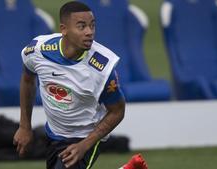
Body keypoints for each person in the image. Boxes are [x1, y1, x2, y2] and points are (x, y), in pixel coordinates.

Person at [14, 1, 142, 169]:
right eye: (81, 27)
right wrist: (24, 126)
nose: (89, 32)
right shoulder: (38, 51)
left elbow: (117, 111)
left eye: (92, 26)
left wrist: (85, 145)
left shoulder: (102, 68)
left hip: (86, 136)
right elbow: (27, 78)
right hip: (54, 134)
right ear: (64, 29)